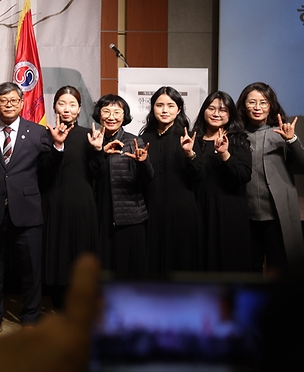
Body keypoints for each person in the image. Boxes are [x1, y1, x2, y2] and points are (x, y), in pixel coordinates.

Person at [0, 81, 67, 337]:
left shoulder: (38, 132)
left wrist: (58, 146)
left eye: (13, 100)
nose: (8, 105)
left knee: (31, 270)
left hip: (27, 212)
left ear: (22, 103)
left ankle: (30, 316)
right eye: (2, 101)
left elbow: (48, 170)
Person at [40, 86, 99, 309]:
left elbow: (96, 173)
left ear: (79, 109)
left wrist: (96, 150)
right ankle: (57, 301)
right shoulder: (43, 134)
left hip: (81, 203)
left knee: (79, 251)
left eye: (72, 104)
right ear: (54, 106)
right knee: (56, 252)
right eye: (62, 103)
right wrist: (57, 144)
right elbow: (43, 171)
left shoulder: (89, 135)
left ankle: (80, 300)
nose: (67, 109)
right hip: (53, 201)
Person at [237, 82, 304, 274]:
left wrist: (291, 140)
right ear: (243, 105)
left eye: (263, 102)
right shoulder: (237, 136)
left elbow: (302, 166)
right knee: (249, 269)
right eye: (252, 102)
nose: (257, 107)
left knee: (281, 268)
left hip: (277, 216)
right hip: (246, 216)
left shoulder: (282, 134)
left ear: (271, 106)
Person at [140, 86, 204, 273]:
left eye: (170, 105)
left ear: (179, 109)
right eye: (159, 105)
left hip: (181, 210)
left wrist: (190, 153)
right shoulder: (144, 138)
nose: (165, 110)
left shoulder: (187, 137)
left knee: (181, 260)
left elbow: (199, 176)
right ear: (153, 108)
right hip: (151, 209)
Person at [88, 94, 152, 278]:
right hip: (101, 214)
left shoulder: (134, 142)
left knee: (129, 270)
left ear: (124, 116)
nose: (111, 116)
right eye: (106, 111)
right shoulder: (92, 140)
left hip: (129, 214)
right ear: (99, 115)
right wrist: (98, 151)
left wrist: (143, 162)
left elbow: (148, 178)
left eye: (117, 112)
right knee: (103, 268)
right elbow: (91, 174)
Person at [193, 91, 253, 272]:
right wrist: (189, 154)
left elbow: (243, 175)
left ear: (230, 114)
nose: (216, 113)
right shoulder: (193, 138)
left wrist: (225, 154)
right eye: (211, 108)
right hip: (198, 208)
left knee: (228, 262)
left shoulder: (238, 139)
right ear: (204, 111)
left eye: (223, 110)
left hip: (229, 209)